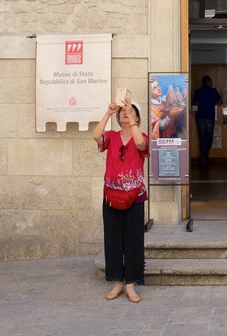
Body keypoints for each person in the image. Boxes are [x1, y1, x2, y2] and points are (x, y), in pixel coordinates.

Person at [92, 92, 149, 304]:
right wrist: (108, 113)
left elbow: (141, 146)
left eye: (130, 112)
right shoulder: (112, 137)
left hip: (134, 197)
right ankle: (117, 283)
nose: (125, 114)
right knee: (113, 240)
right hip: (112, 196)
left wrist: (132, 120)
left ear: (137, 118)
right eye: (123, 112)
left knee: (133, 240)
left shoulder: (140, 136)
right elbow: (95, 135)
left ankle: (131, 285)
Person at [191, 75, 223, 167]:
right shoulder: (213, 91)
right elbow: (220, 101)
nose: (212, 82)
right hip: (209, 117)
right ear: (208, 81)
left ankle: (203, 155)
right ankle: (205, 154)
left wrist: (201, 102)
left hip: (200, 117)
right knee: (209, 137)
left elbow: (194, 102)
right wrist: (212, 102)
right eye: (211, 81)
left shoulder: (198, 91)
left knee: (202, 137)